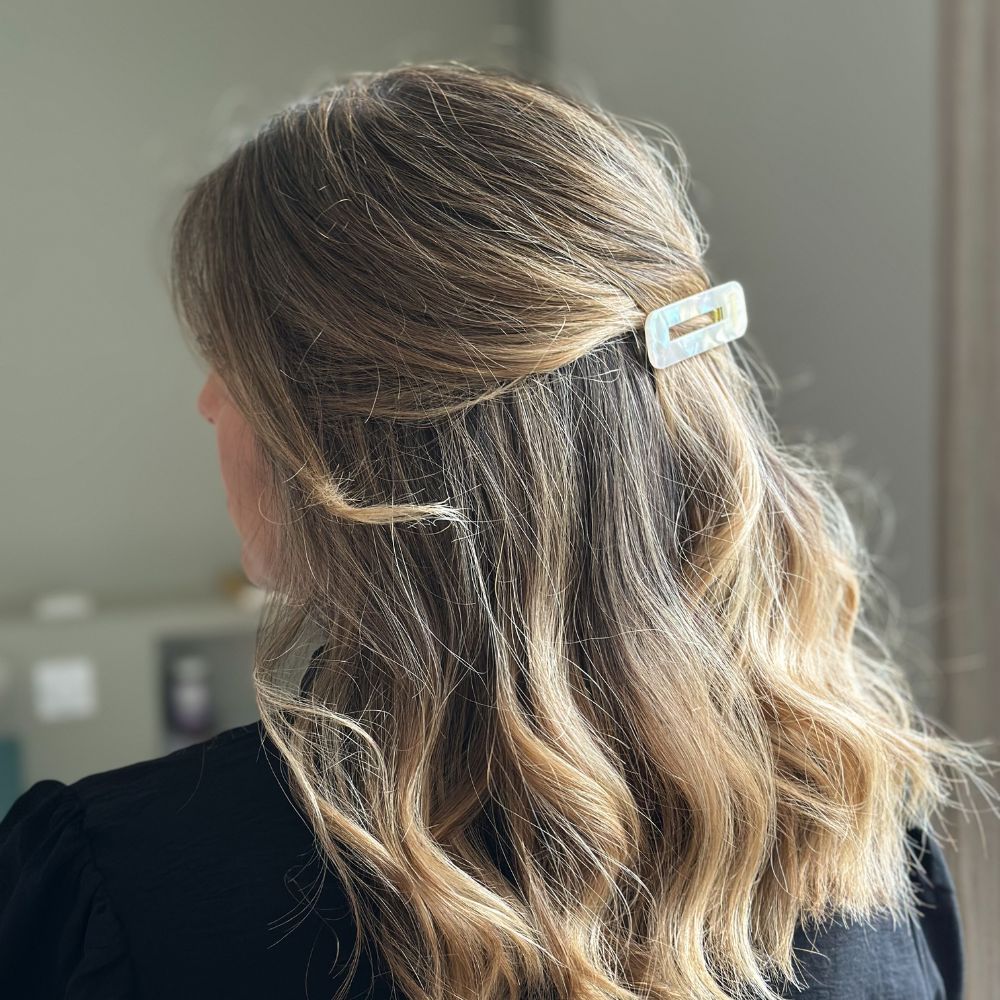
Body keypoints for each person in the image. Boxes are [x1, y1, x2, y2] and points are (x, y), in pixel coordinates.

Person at [0, 61, 992, 1000]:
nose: (212, 404)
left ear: (362, 443)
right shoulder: (862, 855)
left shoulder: (120, 889)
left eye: (237, 366)